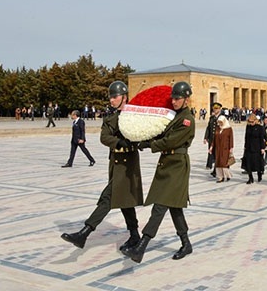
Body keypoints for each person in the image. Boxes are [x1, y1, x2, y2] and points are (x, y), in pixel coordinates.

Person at [60, 81, 142, 251]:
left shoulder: (136, 116)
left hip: (128, 167)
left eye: (115, 97)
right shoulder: (110, 118)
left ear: (124, 97)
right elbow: (104, 138)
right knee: (125, 202)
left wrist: (135, 141)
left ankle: (84, 233)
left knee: (108, 198)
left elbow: (144, 135)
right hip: (115, 164)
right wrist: (119, 141)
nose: (111, 100)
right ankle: (135, 236)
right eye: (110, 97)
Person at [122, 81, 196, 263]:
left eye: (178, 99)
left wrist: (149, 145)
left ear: (187, 99)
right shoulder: (174, 116)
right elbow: (162, 134)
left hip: (177, 166)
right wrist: (144, 136)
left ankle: (141, 247)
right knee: (175, 207)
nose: (174, 101)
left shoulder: (187, 120)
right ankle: (186, 244)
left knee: (160, 205)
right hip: (168, 164)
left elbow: (170, 141)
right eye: (173, 98)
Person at [243, 114, 266, 184]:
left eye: (252, 122)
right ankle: (250, 178)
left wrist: (262, 148)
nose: (251, 123)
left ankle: (259, 174)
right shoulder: (248, 127)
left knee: (257, 163)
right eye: (250, 122)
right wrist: (245, 146)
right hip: (249, 147)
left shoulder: (260, 127)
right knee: (248, 163)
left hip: (257, 148)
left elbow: (262, 138)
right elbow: (246, 137)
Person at [211, 115, 233, 183]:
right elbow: (214, 138)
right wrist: (211, 146)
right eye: (219, 122)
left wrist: (231, 147)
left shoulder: (229, 129)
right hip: (218, 148)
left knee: (224, 163)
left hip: (225, 148)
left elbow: (231, 139)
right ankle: (220, 177)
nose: (220, 124)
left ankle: (227, 175)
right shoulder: (217, 128)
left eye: (221, 122)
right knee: (218, 163)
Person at [204, 102, 223, 177]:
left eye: (216, 108)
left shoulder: (222, 118)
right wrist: (206, 137)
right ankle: (210, 166)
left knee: (218, 155)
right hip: (212, 139)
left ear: (219, 109)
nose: (215, 110)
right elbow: (208, 128)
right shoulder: (212, 118)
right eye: (214, 108)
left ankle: (216, 170)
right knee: (211, 152)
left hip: (219, 139)